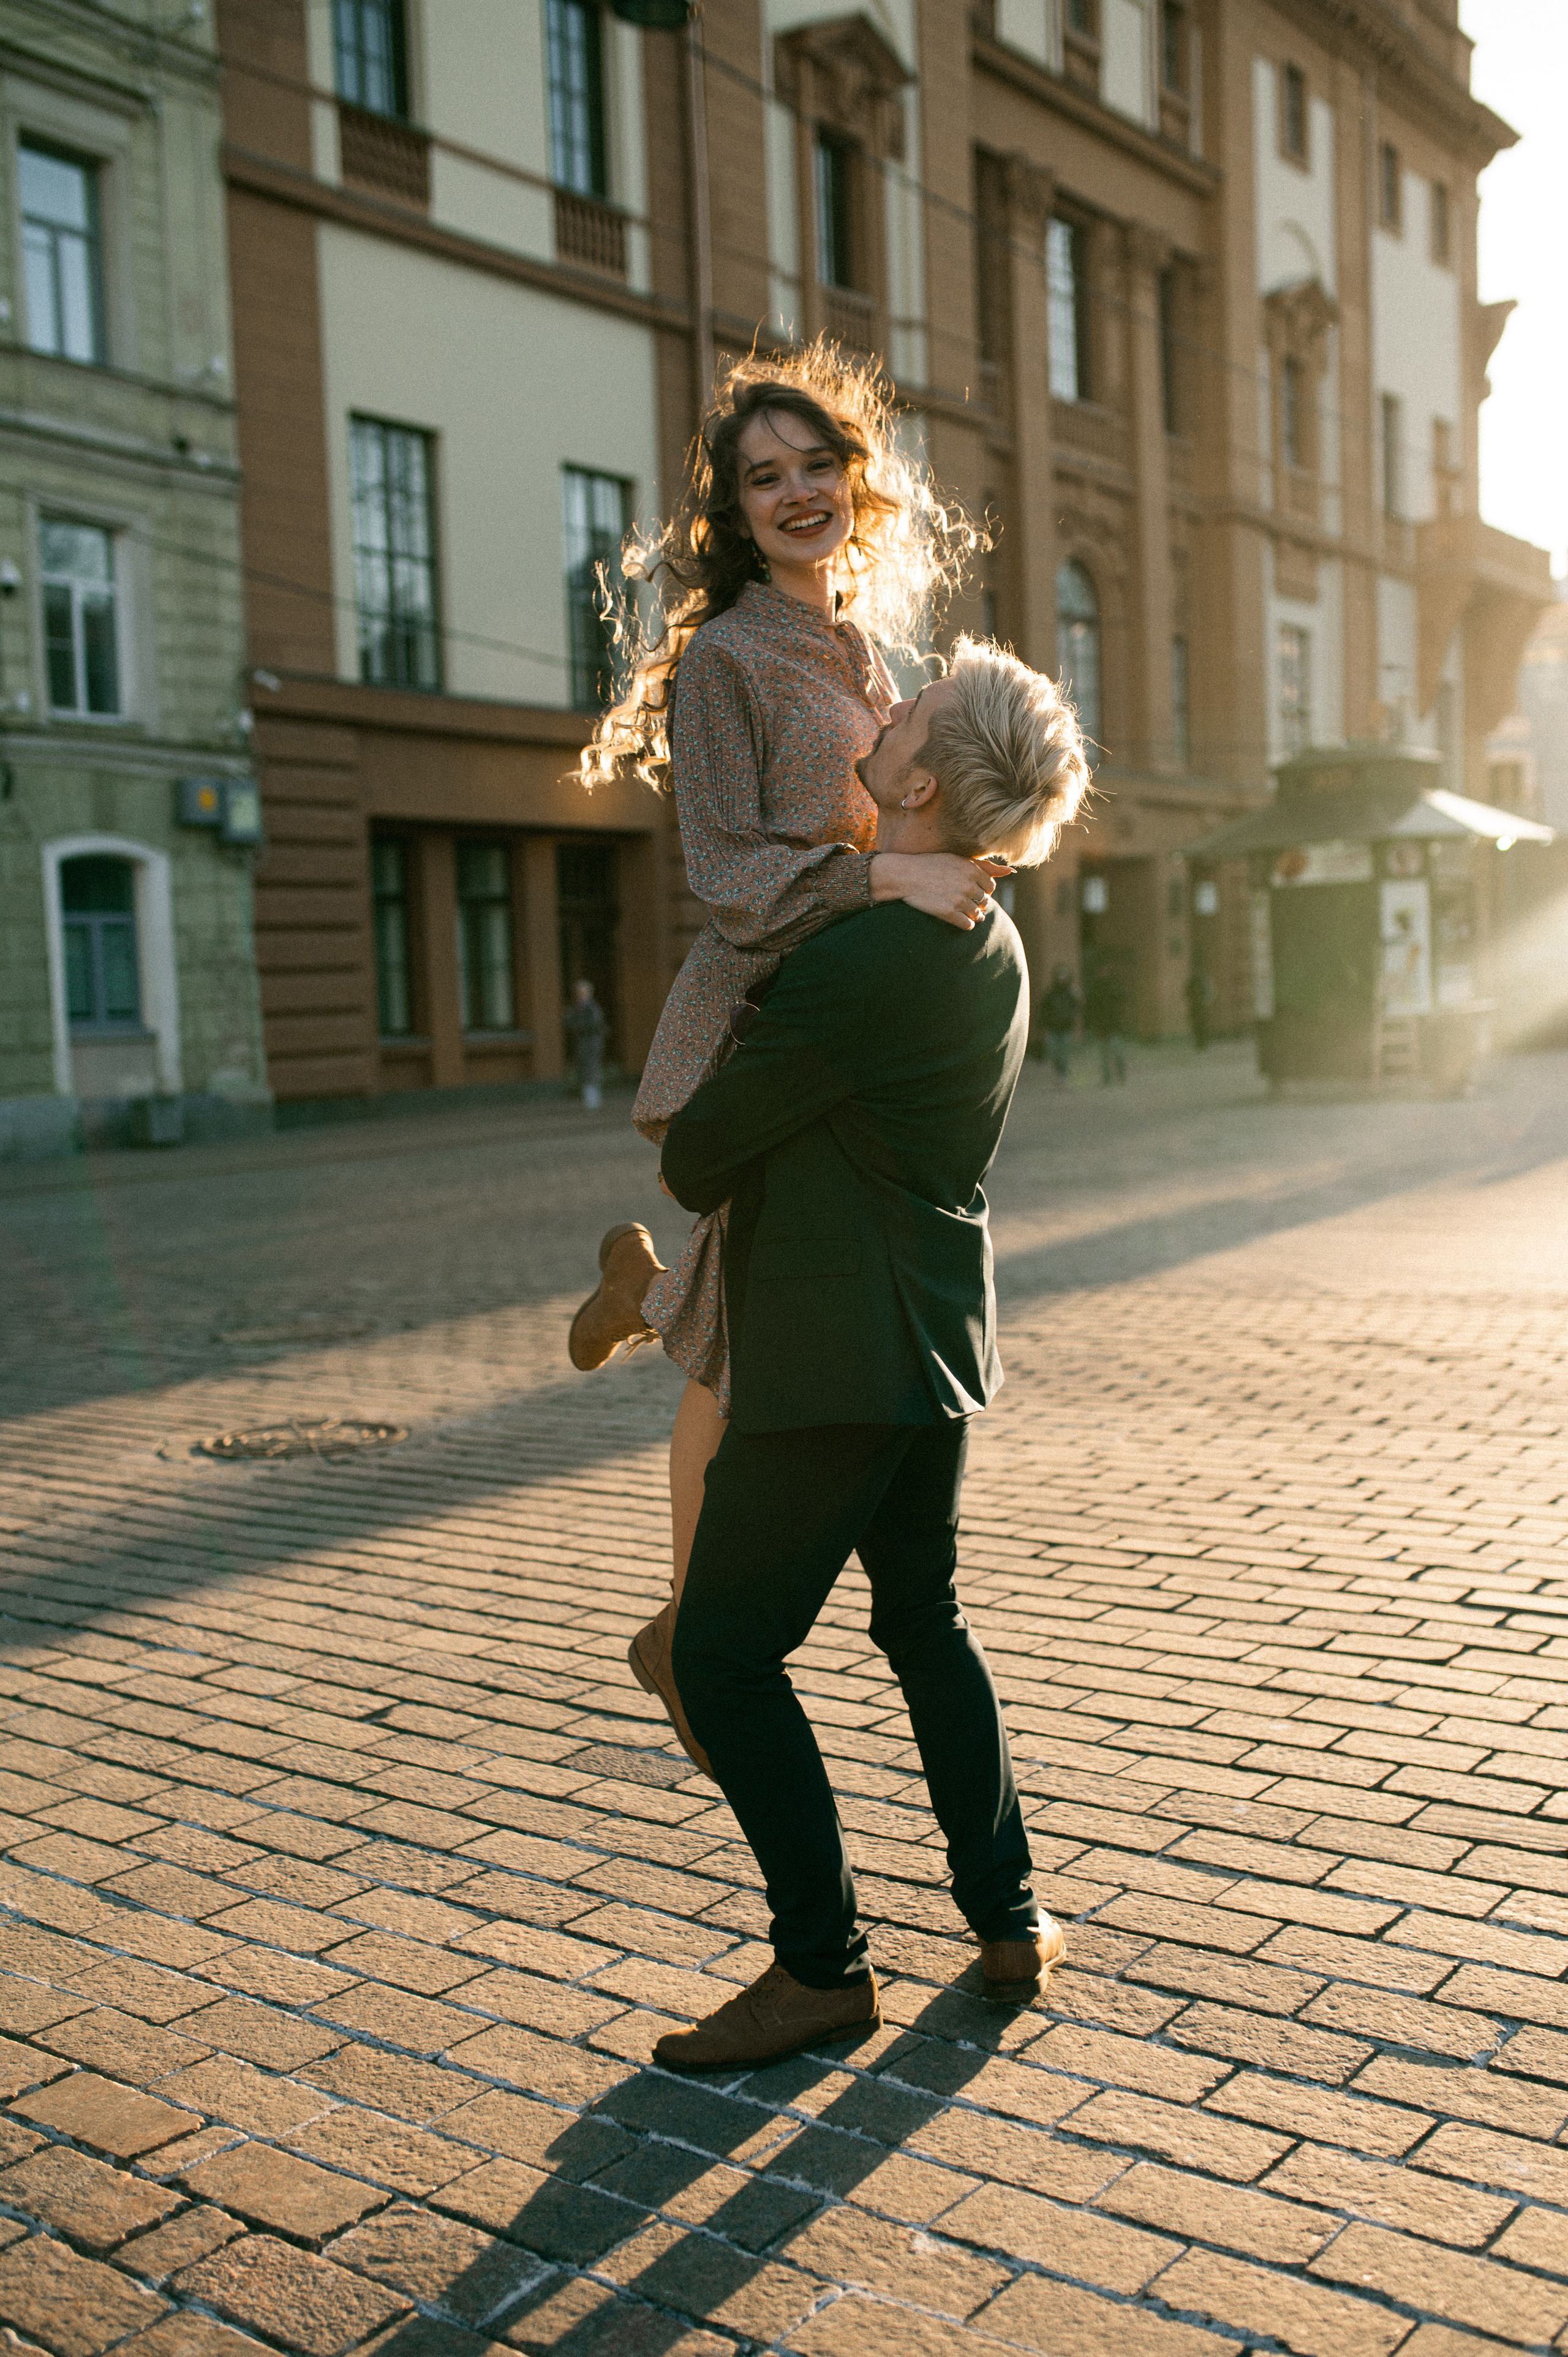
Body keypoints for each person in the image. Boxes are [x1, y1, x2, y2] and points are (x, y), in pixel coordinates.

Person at [628, 639, 1087, 2071]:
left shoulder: (866, 955)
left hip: (830, 1352)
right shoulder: (990, 938)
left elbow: (697, 1152)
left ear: (927, 786)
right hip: (931, 1342)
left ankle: (820, 1966)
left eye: (907, 719)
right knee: (921, 1621)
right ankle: (1006, 1916)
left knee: (720, 1652)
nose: (876, 717)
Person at [567, 344, 1005, 1668]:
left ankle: (646, 1301)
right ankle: (693, 1640)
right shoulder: (725, 662)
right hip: (759, 1023)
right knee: (744, 1347)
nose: (797, 492)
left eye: (817, 465)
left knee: (742, 1323)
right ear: (736, 508)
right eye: (765, 477)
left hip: (845, 1021)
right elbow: (728, 877)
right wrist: (889, 878)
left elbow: (905, 812)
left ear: (855, 483)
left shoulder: (861, 647)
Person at [564, 978, 606, 1108]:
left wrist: (576, 1025)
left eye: (581, 992)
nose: (579, 995)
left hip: (591, 1041)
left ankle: (593, 1099)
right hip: (583, 1042)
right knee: (583, 1068)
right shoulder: (578, 1008)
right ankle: (587, 1097)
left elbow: (593, 1024)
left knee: (591, 1067)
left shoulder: (591, 1008)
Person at [1084, 958, 1128, 1084]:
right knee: (1103, 1055)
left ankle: (1121, 1074)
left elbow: (1123, 997)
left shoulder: (1115, 984)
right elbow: (1090, 1008)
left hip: (1114, 1026)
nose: (1103, 973)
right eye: (1100, 971)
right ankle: (1107, 1078)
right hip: (1100, 1027)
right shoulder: (1095, 988)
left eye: (1104, 970)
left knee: (1118, 1052)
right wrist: (1093, 1024)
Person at [1038, 963, 1080, 1084]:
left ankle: (1063, 1075)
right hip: (1053, 1028)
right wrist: (1042, 1023)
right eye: (1060, 976)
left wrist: (1071, 1019)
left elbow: (1078, 1007)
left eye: (1064, 976)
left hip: (1066, 1028)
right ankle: (1058, 1073)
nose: (1062, 978)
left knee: (1064, 1054)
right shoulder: (1050, 993)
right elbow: (1044, 1009)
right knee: (1053, 1053)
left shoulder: (1072, 993)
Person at [1185, 965, 1213, 1052]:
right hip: (1195, 1006)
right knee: (1195, 1024)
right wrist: (1191, 1000)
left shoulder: (1204, 981)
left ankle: (1203, 1043)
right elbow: (1186, 992)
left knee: (1202, 1024)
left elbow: (1210, 992)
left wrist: (1206, 1002)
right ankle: (1198, 1043)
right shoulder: (1192, 981)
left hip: (1202, 1006)